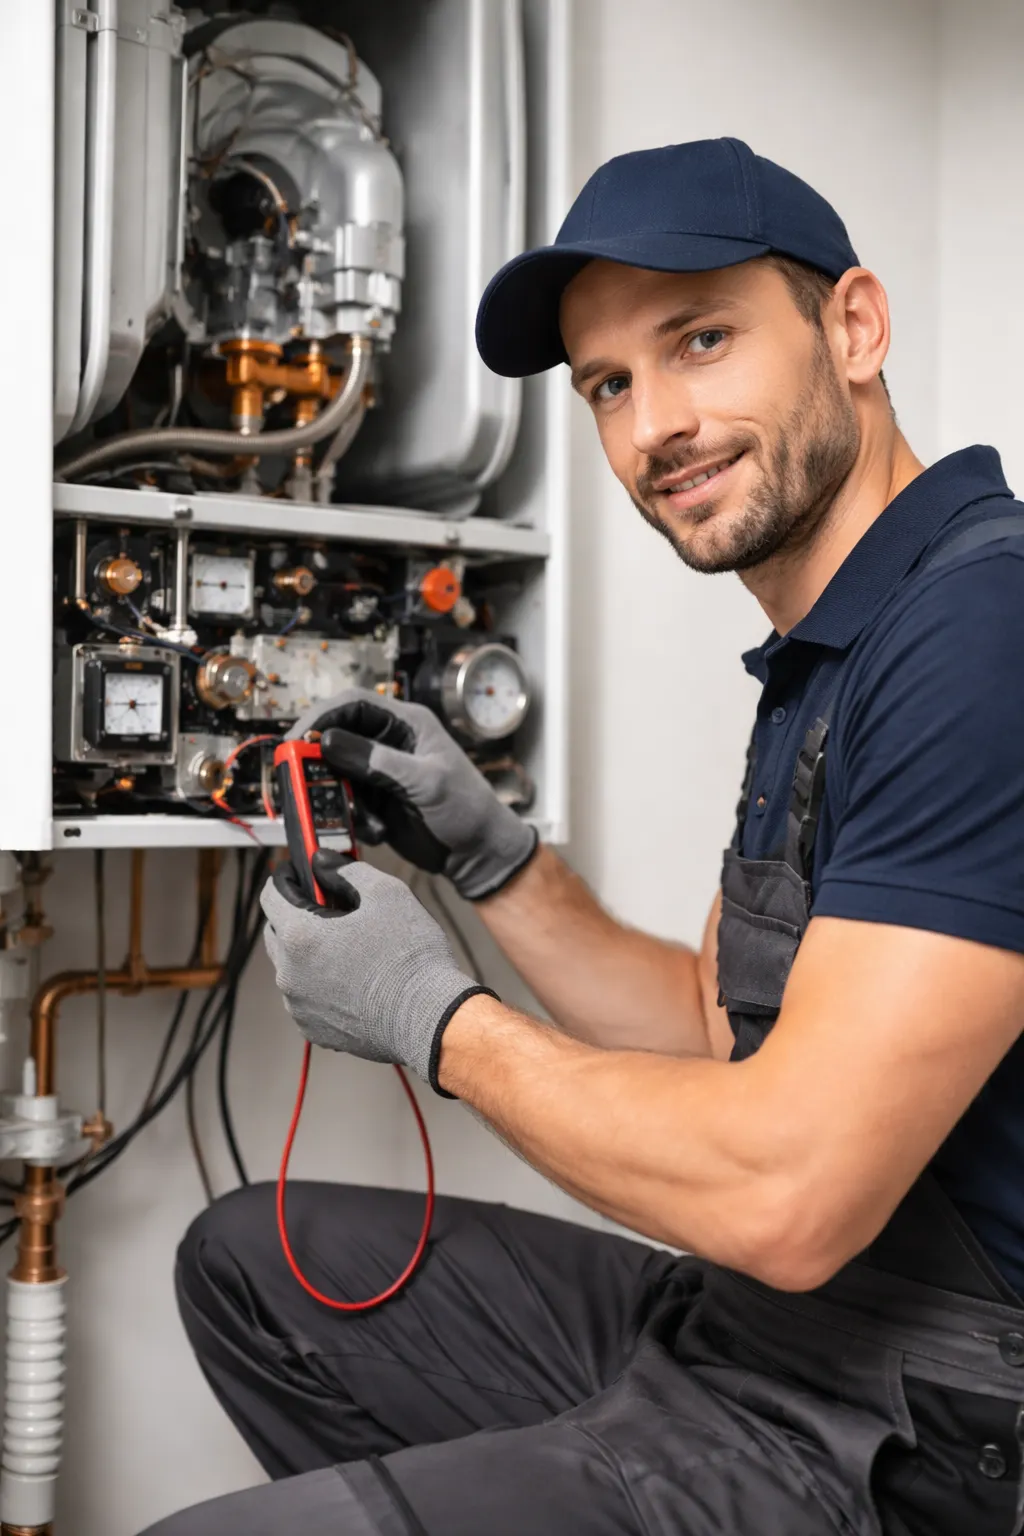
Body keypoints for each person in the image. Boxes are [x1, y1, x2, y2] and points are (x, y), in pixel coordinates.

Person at [144, 138, 1024, 1536]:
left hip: (919, 1435)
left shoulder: (980, 634)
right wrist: (495, 863)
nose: (656, 424)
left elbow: (790, 1191)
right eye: (610, 383)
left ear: (854, 327)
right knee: (255, 1261)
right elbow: (715, 1033)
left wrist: (438, 1021)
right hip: (753, 1331)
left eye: (702, 339)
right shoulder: (839, 635)